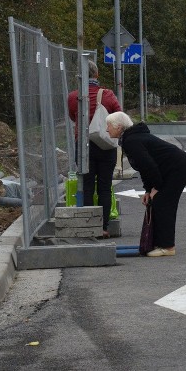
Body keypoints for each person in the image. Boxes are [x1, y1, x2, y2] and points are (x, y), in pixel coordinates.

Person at [105, 111, 186, 257]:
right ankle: (161, 243)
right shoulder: (131, 138)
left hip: (178, 167)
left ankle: (167, 247)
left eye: (108, 126)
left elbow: (149, 167)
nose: (107, 129)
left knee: (164, 203)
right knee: (158, 202)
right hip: (170, 168)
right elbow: (144, 168)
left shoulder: (131, 141)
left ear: (119, 127)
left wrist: (156, 188)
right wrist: (148, 190)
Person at [68, 59, 122, 238]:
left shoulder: (73, 96)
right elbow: (119, 115)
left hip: (84, 146)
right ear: (96, 75)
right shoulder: (108, 95)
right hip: (106, 146)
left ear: (80, 76)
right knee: (105, 187)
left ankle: (89, 227)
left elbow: (73, 117)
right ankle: (103, 227)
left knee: (88, 186)